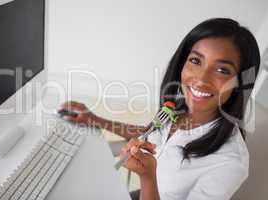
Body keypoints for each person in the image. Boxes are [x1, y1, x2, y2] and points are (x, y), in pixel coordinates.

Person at [58, 18, 260, 200]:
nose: (201, 79)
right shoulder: (179, 108)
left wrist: (148, 177)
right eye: (196, 60)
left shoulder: (230, 164)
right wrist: (94, 119)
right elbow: (149, 133)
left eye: (222, 70)